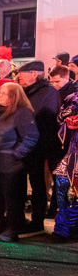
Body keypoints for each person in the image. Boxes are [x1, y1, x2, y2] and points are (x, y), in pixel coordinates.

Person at [0, 82, 39, 242]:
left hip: (12, 166)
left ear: (14, 96)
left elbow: (31, 136)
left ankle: (13, 228)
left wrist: (15, 154)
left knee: (13, 198)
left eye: (4, 93)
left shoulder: (22, 112)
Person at [17, 60, 60, 234]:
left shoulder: (48, 91)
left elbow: (45, 118)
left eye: (22, 73)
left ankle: (37, 220)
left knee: (37, 184)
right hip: (22, 145)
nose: (18, 76)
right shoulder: (24, 91)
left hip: (38, 146)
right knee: (21, 183)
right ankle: (20, 218)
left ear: (35, 74)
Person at [51, 90, 78, 241]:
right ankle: (62, 231)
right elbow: (61, 117)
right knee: (66, 194)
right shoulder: (73, 98)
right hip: (73, 154)